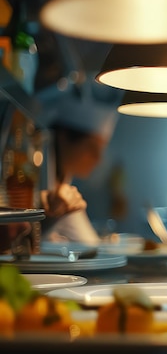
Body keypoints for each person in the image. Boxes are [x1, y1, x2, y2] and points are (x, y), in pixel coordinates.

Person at [39, 93, 118, 246]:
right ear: (63, 137)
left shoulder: (64, 180)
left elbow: (88, 242)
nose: (98, 159)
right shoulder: (33, 173)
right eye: (91, 148)